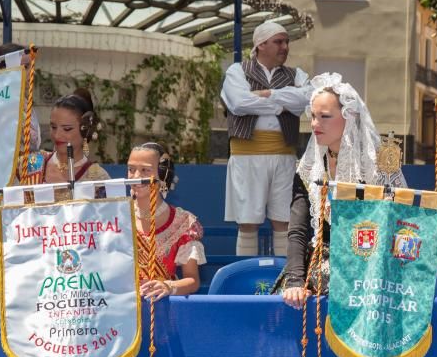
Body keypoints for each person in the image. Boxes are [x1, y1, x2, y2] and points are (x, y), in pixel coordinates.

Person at [0, 91, 111, 294]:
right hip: (20, 267)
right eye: (53, 127)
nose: (57, 135)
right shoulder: (30, 163)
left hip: (71, 276)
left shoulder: (98, 178)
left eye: (67, 129)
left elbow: (104, 237)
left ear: (85, 130)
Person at [280, 73, 406, 309]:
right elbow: (297, 230)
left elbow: (400, 227)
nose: (316, 125)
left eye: (325, 117)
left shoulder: (379, 167)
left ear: (349, 117)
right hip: (320, 265)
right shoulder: (309, 170)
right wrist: (295, 280)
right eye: (313, 117)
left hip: (371, 267)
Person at [221, 21, 312, 256]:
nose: (285, 46)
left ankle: (284, 277)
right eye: (278, 41)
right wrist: (283, 105)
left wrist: (269, 94)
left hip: (284, 157)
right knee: (248, 221)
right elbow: (239, 104)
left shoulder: (297, 74)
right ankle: (246, 280)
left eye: (286, 42)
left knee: (284, 220)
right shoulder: (237, 71)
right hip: (247, 157)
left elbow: (307, 99)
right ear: (261, 44)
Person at [126, 142, 206, 301]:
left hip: (164, 307)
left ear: (162, 176)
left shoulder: (182, 222)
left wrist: (169, 286)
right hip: (122, 311)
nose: (135, 177)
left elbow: (192, 280)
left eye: (145, 170)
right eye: (131, 169)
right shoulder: (115, 216)